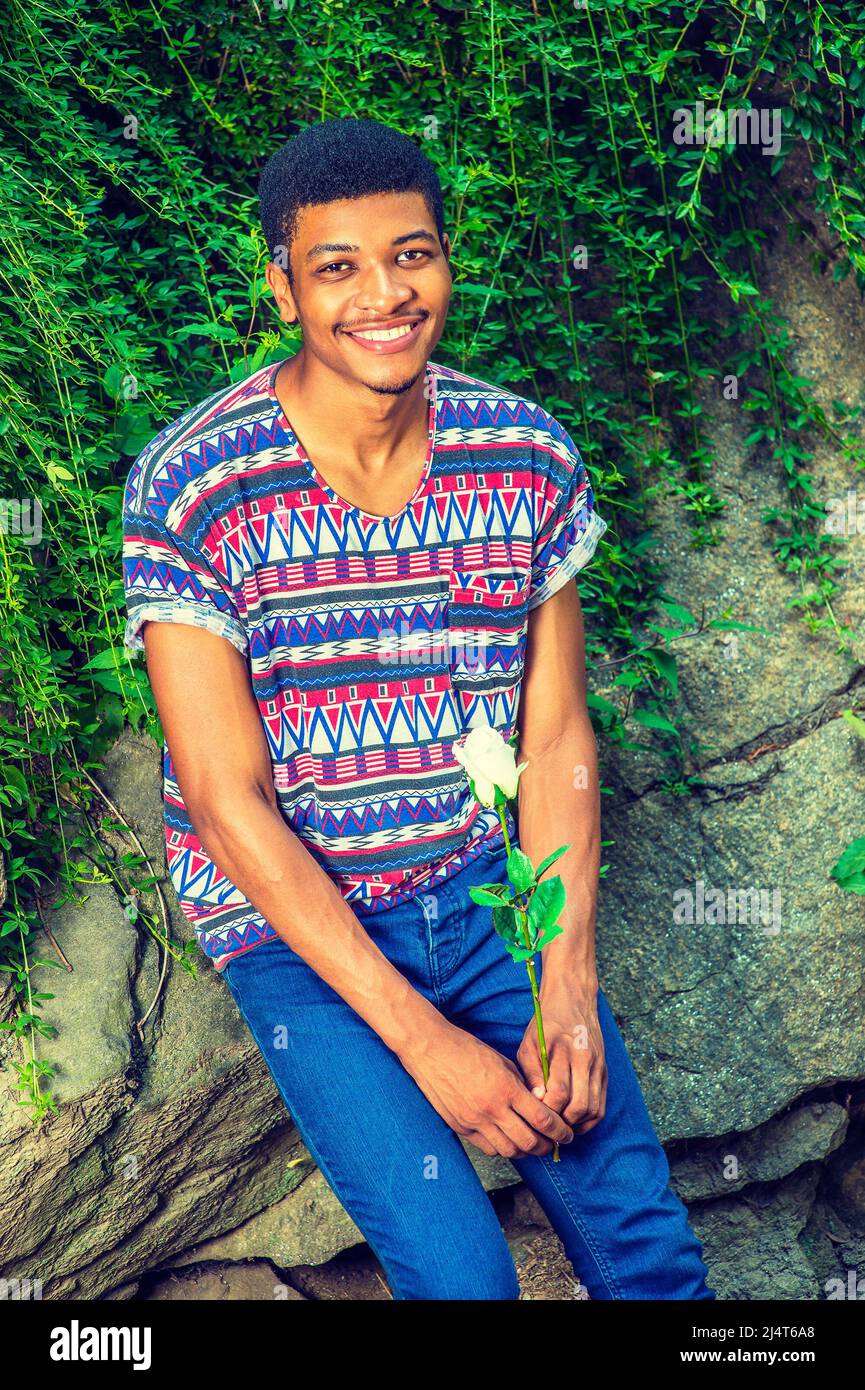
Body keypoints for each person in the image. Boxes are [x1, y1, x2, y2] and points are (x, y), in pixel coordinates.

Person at [121, 117, 715, 1301]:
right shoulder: (195, 484)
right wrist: (424, 1041)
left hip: (484, 895)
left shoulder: (524, 456)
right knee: (463, 1284)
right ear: (280, 284)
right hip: (300, 939)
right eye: (336, 267)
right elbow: (226, 805)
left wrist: (566, 979)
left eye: (413, 254)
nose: (383, 294)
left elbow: (553, 741)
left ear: (446, 261)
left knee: (648, 1254)